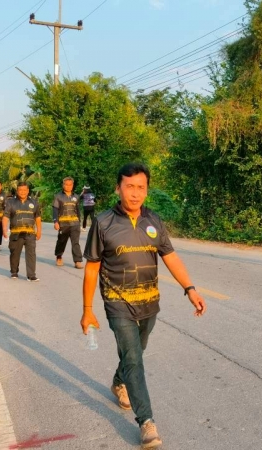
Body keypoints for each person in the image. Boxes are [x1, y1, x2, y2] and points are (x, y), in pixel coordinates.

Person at [80, 163, 207, 448]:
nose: (135, 193)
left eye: (141, 187)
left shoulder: (154, 220)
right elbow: (92, 268)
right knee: (134, 359)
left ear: (147, 190)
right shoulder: (103, 222)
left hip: (149, 302)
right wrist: (87, 310)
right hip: (117, 303)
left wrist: (190, 289)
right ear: (118, 188)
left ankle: (119, 381)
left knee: (136, 351)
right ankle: (147, 422)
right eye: (129, 187)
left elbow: (170, 256)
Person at [3, 182, 42, 281]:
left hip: (30, 233)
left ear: (28, 191)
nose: (22, 192)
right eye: (20, 190)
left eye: (25, 190)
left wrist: (39, 231)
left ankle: (31, 275)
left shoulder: (34, 203)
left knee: (31, 254)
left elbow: (37, 217)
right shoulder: (11, 202)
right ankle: (14, 272)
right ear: (17, 191)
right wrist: (4, 229)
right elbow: (5, 217)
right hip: (16, 233)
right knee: (15, 253)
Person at [52, 177, 83, 269]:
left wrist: (79, 222)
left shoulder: (76, 197)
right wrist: (55, 221)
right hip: (63, 224)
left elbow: (78, 210)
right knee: (61, 241)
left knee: (75, 242)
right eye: (66, 184)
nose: (68, 186)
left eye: (70, 185)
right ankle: (59, 257)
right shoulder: (58, 196)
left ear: (72, 185)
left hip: (75, 224)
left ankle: (77, 261)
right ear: (63, 185)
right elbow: (55, 209)